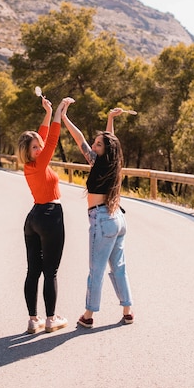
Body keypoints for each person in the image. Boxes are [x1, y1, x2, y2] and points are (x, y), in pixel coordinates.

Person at [61, 103, 134, 328]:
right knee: (119, 268)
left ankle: (88, 315)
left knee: (96, 270)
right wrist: (110, 118)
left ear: (104, 149)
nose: (93, 145)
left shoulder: (98, 163)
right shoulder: (113, 164)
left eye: (97, 144)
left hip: (101, 221)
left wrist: (63, 116)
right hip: (118, 220)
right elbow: (110, 138)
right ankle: (128, 310)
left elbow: (79, 137)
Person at [17, 95, 74, 334]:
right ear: (28, 152)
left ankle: (33, 320)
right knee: (50, 272)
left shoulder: (30, 165)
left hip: (33, 218)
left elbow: (42, 137)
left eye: (39, 146)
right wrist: (60, 112)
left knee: (33, 271)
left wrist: (48, 113)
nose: (40, 148)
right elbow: (51, 140)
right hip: (50, 215)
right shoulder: (40, 163)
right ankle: (50, 319)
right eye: (35, 147)